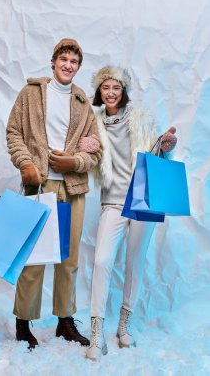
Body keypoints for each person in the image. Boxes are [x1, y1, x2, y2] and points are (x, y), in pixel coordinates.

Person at [6, 38, 102, 349]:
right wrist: (25, 163)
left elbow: (96, 151)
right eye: (64, 59)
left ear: (78, 67)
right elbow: (14, 133)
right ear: (53, 61)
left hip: (72, 188)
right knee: (35, 256)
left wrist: (73, 161)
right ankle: (23, 322)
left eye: (74, 61)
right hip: (41, 183)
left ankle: (64, 321)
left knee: (68, 258)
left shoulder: (83, 103)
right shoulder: (32, 93)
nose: (68, 65)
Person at [83, 66, 177, 360]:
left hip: (142, 200)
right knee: (101, 261)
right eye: (105, 87)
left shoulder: (142, 119)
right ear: (99, 91)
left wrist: (165, 145)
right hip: (112, 201)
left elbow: (155, 154)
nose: (110, 92)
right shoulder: (93, 123)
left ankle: (124, 326)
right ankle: (96, 335)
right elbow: (87, 156)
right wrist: (84, 146)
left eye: (116, 87)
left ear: (124, 91)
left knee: (134, 263)